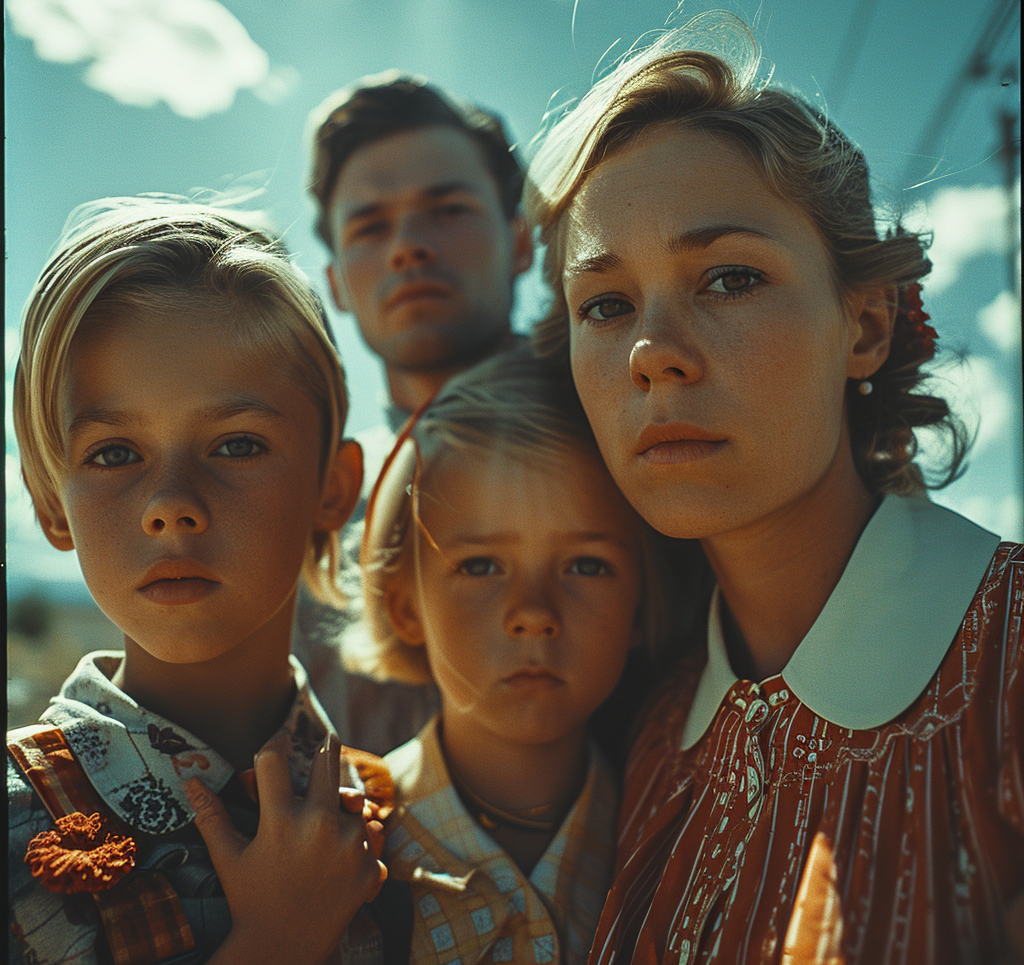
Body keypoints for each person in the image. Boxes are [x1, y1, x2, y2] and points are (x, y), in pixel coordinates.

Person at [526, 13, 1024, 965]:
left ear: (868, 325)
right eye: (606, 303)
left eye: (729, 278)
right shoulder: (650, 728)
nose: (652, 353)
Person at [8, 198, 387, 965]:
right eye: (115, 453)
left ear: (333, 487)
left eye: (237, 444)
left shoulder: (391, 815)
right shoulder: (13, 818)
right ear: (53, 506)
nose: (171, 504)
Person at [345, 348, 679, 965]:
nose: (535, 611)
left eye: (586, 565)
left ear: (641, 603)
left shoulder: (680, 847)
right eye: (480, 566)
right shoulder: (339, 854)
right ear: (405, 607)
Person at [297, 73, 535, 753]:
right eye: (370, 226)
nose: (407, 245)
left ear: (520, 241)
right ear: (338, 283)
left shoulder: (634, 456)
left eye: (449, 208)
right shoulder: (306, 515)